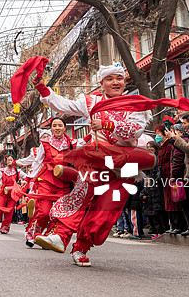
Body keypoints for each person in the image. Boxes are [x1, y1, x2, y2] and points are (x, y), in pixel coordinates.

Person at [32, 63, 151, 268]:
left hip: (125, 165)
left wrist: (108, 125)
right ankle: (60, 235)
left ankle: (81, 248)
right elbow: (64, 105)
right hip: (95, 160)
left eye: (119, 79)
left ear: (125, 82)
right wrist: (43, 89)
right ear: (102, 83)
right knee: (82, 194)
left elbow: (135, 130)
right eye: (110, 79)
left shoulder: (135, 104)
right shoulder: (91, 101)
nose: (115, 82)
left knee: (105, 211)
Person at [23, 117, 76, 247]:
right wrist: (28, 179)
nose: (57, 128)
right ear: (51, 128)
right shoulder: (45, 143)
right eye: (54, 125)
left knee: (57, 213)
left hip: (64, 182)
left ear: (65, 128)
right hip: (46, 180)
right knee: (44, 212)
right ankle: (33, 233)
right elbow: (37, 163)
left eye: (60, 125)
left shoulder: (72, 144)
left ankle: (48, 238)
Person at [0, 155, 21, 234]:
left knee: (9, 211)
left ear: (14, 161)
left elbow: (26, 177)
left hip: (13, 193)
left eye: (11, 160)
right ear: (6, 162)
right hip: (3, 192)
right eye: (8, 160)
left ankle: (5, 227)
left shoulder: (18, 171)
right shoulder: (2, 171)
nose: (10, 162)